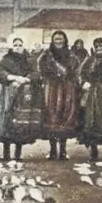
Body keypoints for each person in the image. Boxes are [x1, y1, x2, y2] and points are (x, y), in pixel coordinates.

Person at [0, 35, 42, 161]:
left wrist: (26, 79)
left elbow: (36, 73)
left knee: (21, 122)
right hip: (8, 92)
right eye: (15, 45)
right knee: (7, 119)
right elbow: (0, 73)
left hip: (24, 93)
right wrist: (14, 78)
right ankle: (6, 153)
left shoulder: (29, 59)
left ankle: (18, 153)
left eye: (20, 45)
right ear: (11, 46)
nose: (18, 47)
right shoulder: (5, 59)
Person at [39, 30, 81, 160]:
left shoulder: (71, 56)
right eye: (56, 39)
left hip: (66, 89)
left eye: (61, 39)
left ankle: (62, 150)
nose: (58, 41)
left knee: (65, 116)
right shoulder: (46, 55)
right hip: (51, 88)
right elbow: (41, 69)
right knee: (52, 116)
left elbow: (74, 71)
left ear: (65, 40)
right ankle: (52, 150)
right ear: (52, 41)